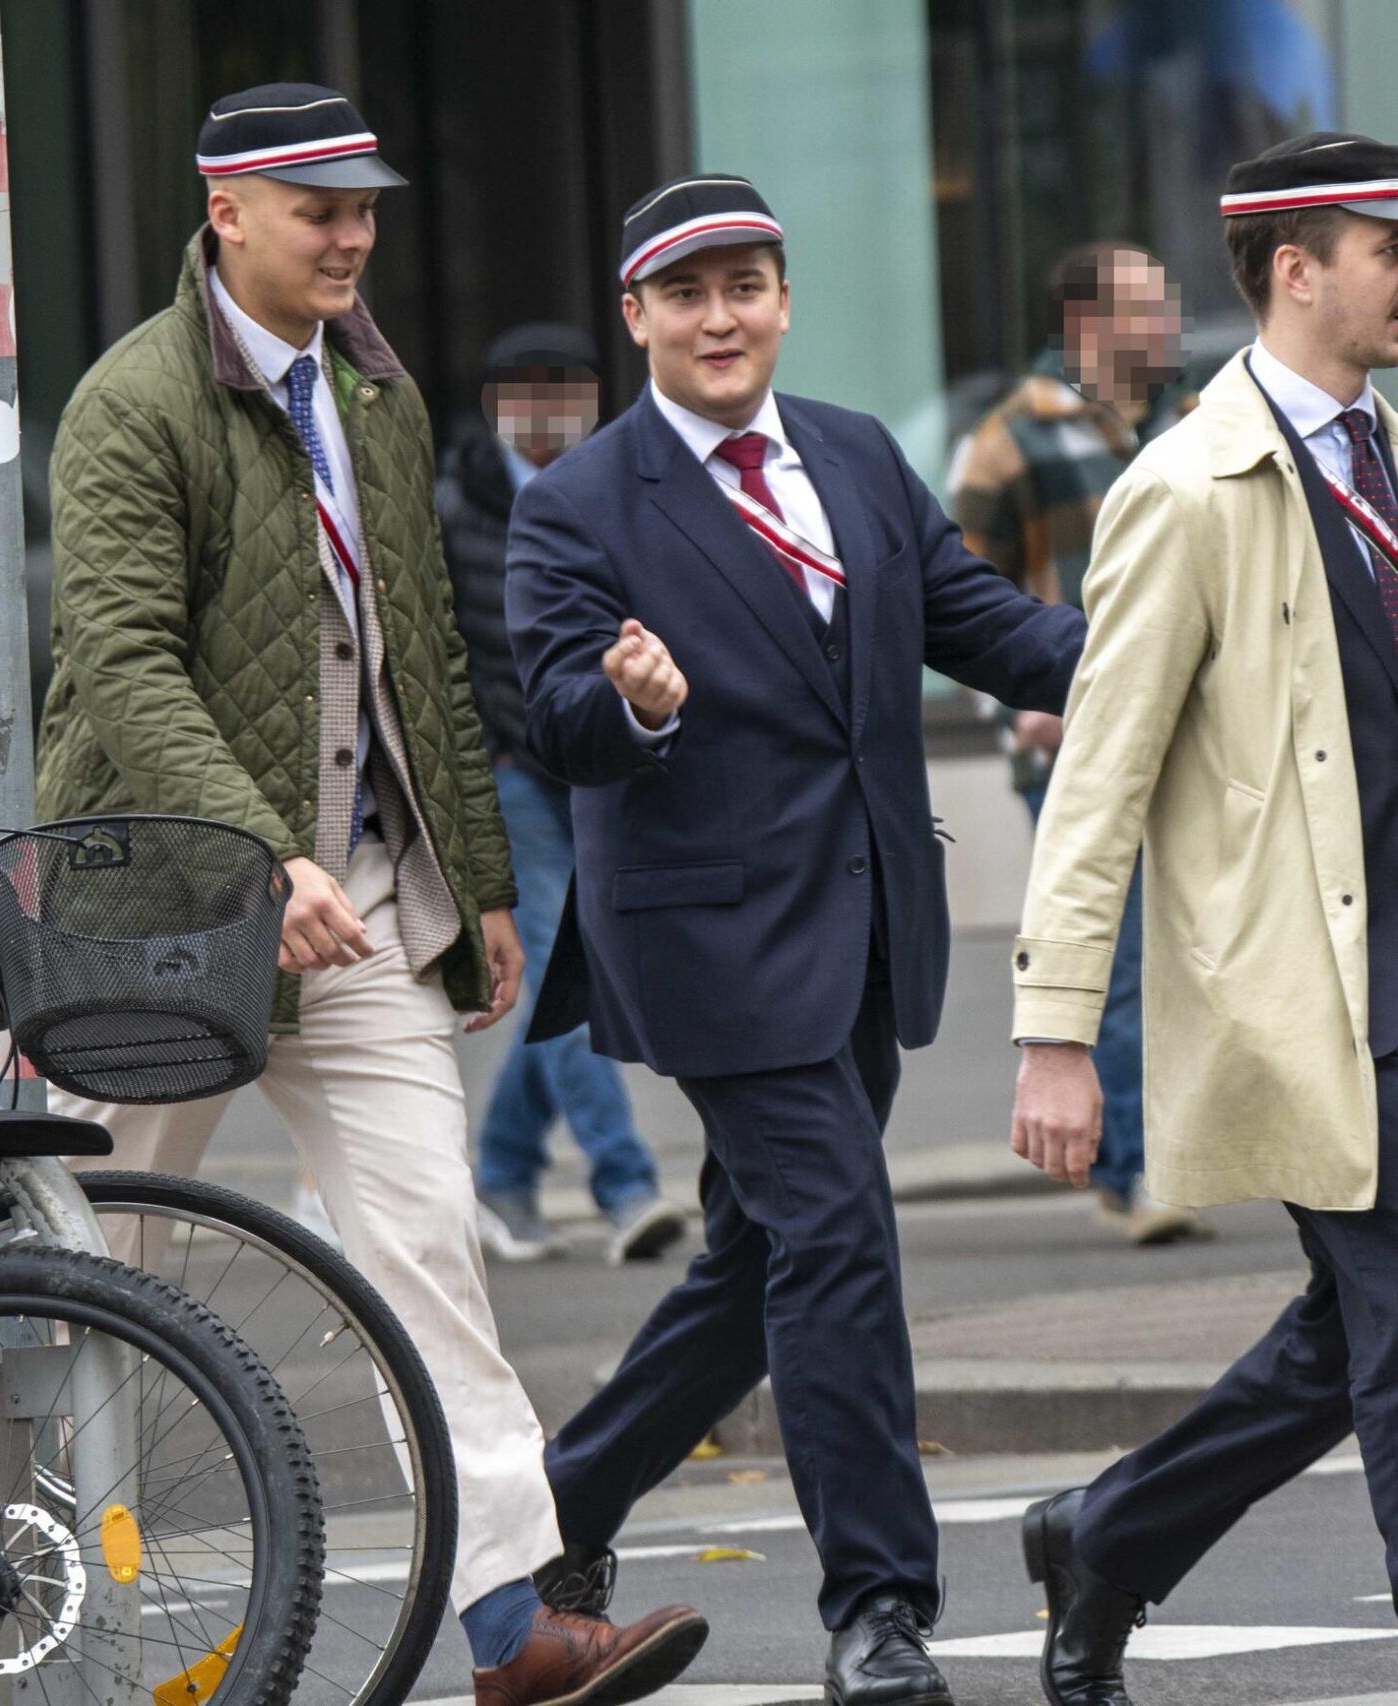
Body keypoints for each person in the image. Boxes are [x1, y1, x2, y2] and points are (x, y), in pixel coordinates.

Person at [36, 84, 706, 1706]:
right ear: (226, 214)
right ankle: (11, 1587)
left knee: (427, 1253)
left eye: (366, 209)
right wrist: (261, 854)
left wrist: (475, 878)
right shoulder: (134, 402)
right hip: (163, 913)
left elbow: (424, 667)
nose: (352, 236)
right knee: (75, 1269)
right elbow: (124, 661)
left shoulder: (377, 394)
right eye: (320, 209)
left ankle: (511, 1624)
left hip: (362, 910)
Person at [1006, 132, 1398, 1706]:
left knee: (1355, 1337)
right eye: (1391, 251)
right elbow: (1101, 775)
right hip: (1293, 1006)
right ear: (1296, 269)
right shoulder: (1181, 491)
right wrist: (1056, 1029)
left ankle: (1106, 1534)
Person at [507, 173, 1087, 1704]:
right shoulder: (580, 501)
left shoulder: (855, 452)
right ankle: (879, 1611)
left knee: (763, 1259)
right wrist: (631, 702)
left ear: (783, 301)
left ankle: (556, 1509)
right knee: (836, 1236)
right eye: (687, 294)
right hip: (709, 944)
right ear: (637, 316)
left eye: (745, 287)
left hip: (868, 928)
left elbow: (983, 622)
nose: (721, 319)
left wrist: (1161, 652)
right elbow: (556, 716)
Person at [948, 241, 1204, 1245]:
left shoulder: (1195, 423)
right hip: (1075, 746)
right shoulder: (1009, 438)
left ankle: (1130, 1154)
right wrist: (1021, 705)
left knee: (1173, 961)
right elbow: (953, 599)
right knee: (1123, 958)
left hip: (1193, 739)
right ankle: (1138, 1171)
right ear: (1089, 324)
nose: (1173, 316)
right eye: (1150, 302)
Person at [440, 320, 688, 1266]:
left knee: (589, 972)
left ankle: (504, 1171)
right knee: (556, 970)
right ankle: (626, 1186)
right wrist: (484, 756)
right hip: (510, 773)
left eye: (566, 391)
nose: (546, 412)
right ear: (495, 406)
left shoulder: (621, 491)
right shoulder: (454, 502)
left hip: (601, 760)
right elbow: (436, 648)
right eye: (526, 392)